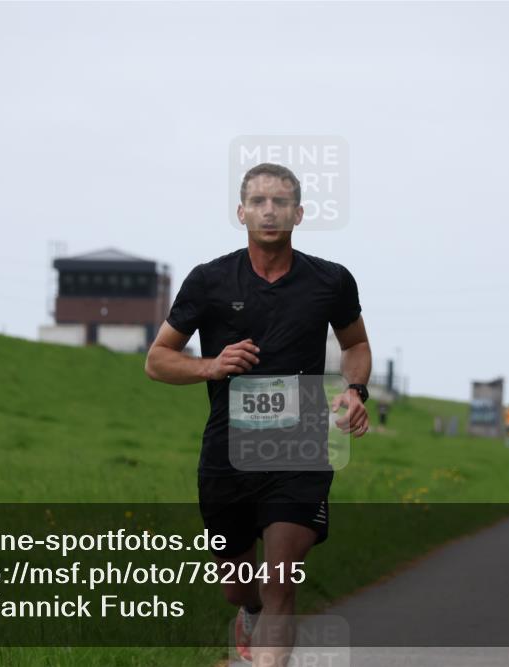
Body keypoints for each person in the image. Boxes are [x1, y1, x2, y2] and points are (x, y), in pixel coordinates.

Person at [145, 163, 371, 665]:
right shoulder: (209, 281)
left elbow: (355, 344)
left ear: (299, 213)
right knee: (237, 587)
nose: (271, 210)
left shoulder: (330, 281)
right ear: (241, 211)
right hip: (228, 454)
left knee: (280, 582)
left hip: (303, 447)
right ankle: (246, 611)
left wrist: (355, 390)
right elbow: (157, 360)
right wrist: (212, 366)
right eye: (260, 201)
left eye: (282, 201)